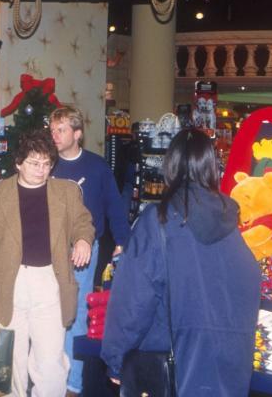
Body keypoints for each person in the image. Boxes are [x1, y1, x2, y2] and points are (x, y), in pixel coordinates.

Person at [101, 129, 260, 395]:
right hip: (230, 367)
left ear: (170, 167)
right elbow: (249, 287)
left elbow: (133, 299)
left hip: (172, 364)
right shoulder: (231, 223)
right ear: (212, 168)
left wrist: (115, 358)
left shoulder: (158, 220)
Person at [0, 131, 94, 397]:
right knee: (10, 363)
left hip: (49, 284)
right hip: (5, 286)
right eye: (34, 163)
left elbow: (84, 222)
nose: (42, 170)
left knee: (50, 364)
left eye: (47, 164)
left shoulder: (66, 192)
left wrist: (83, 239)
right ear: (18, 163)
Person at [48, 105, 131, 396]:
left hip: (85, 247)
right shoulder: (46, 165)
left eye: (61, 130)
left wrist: (122, 242)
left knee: (77, 310)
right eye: (52, 129)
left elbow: (114, 207)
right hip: (49, 246)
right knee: (48, 309)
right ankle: (50, 373)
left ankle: (73, 382)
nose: (54, 135)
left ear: (78, 133)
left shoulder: (96, 167)